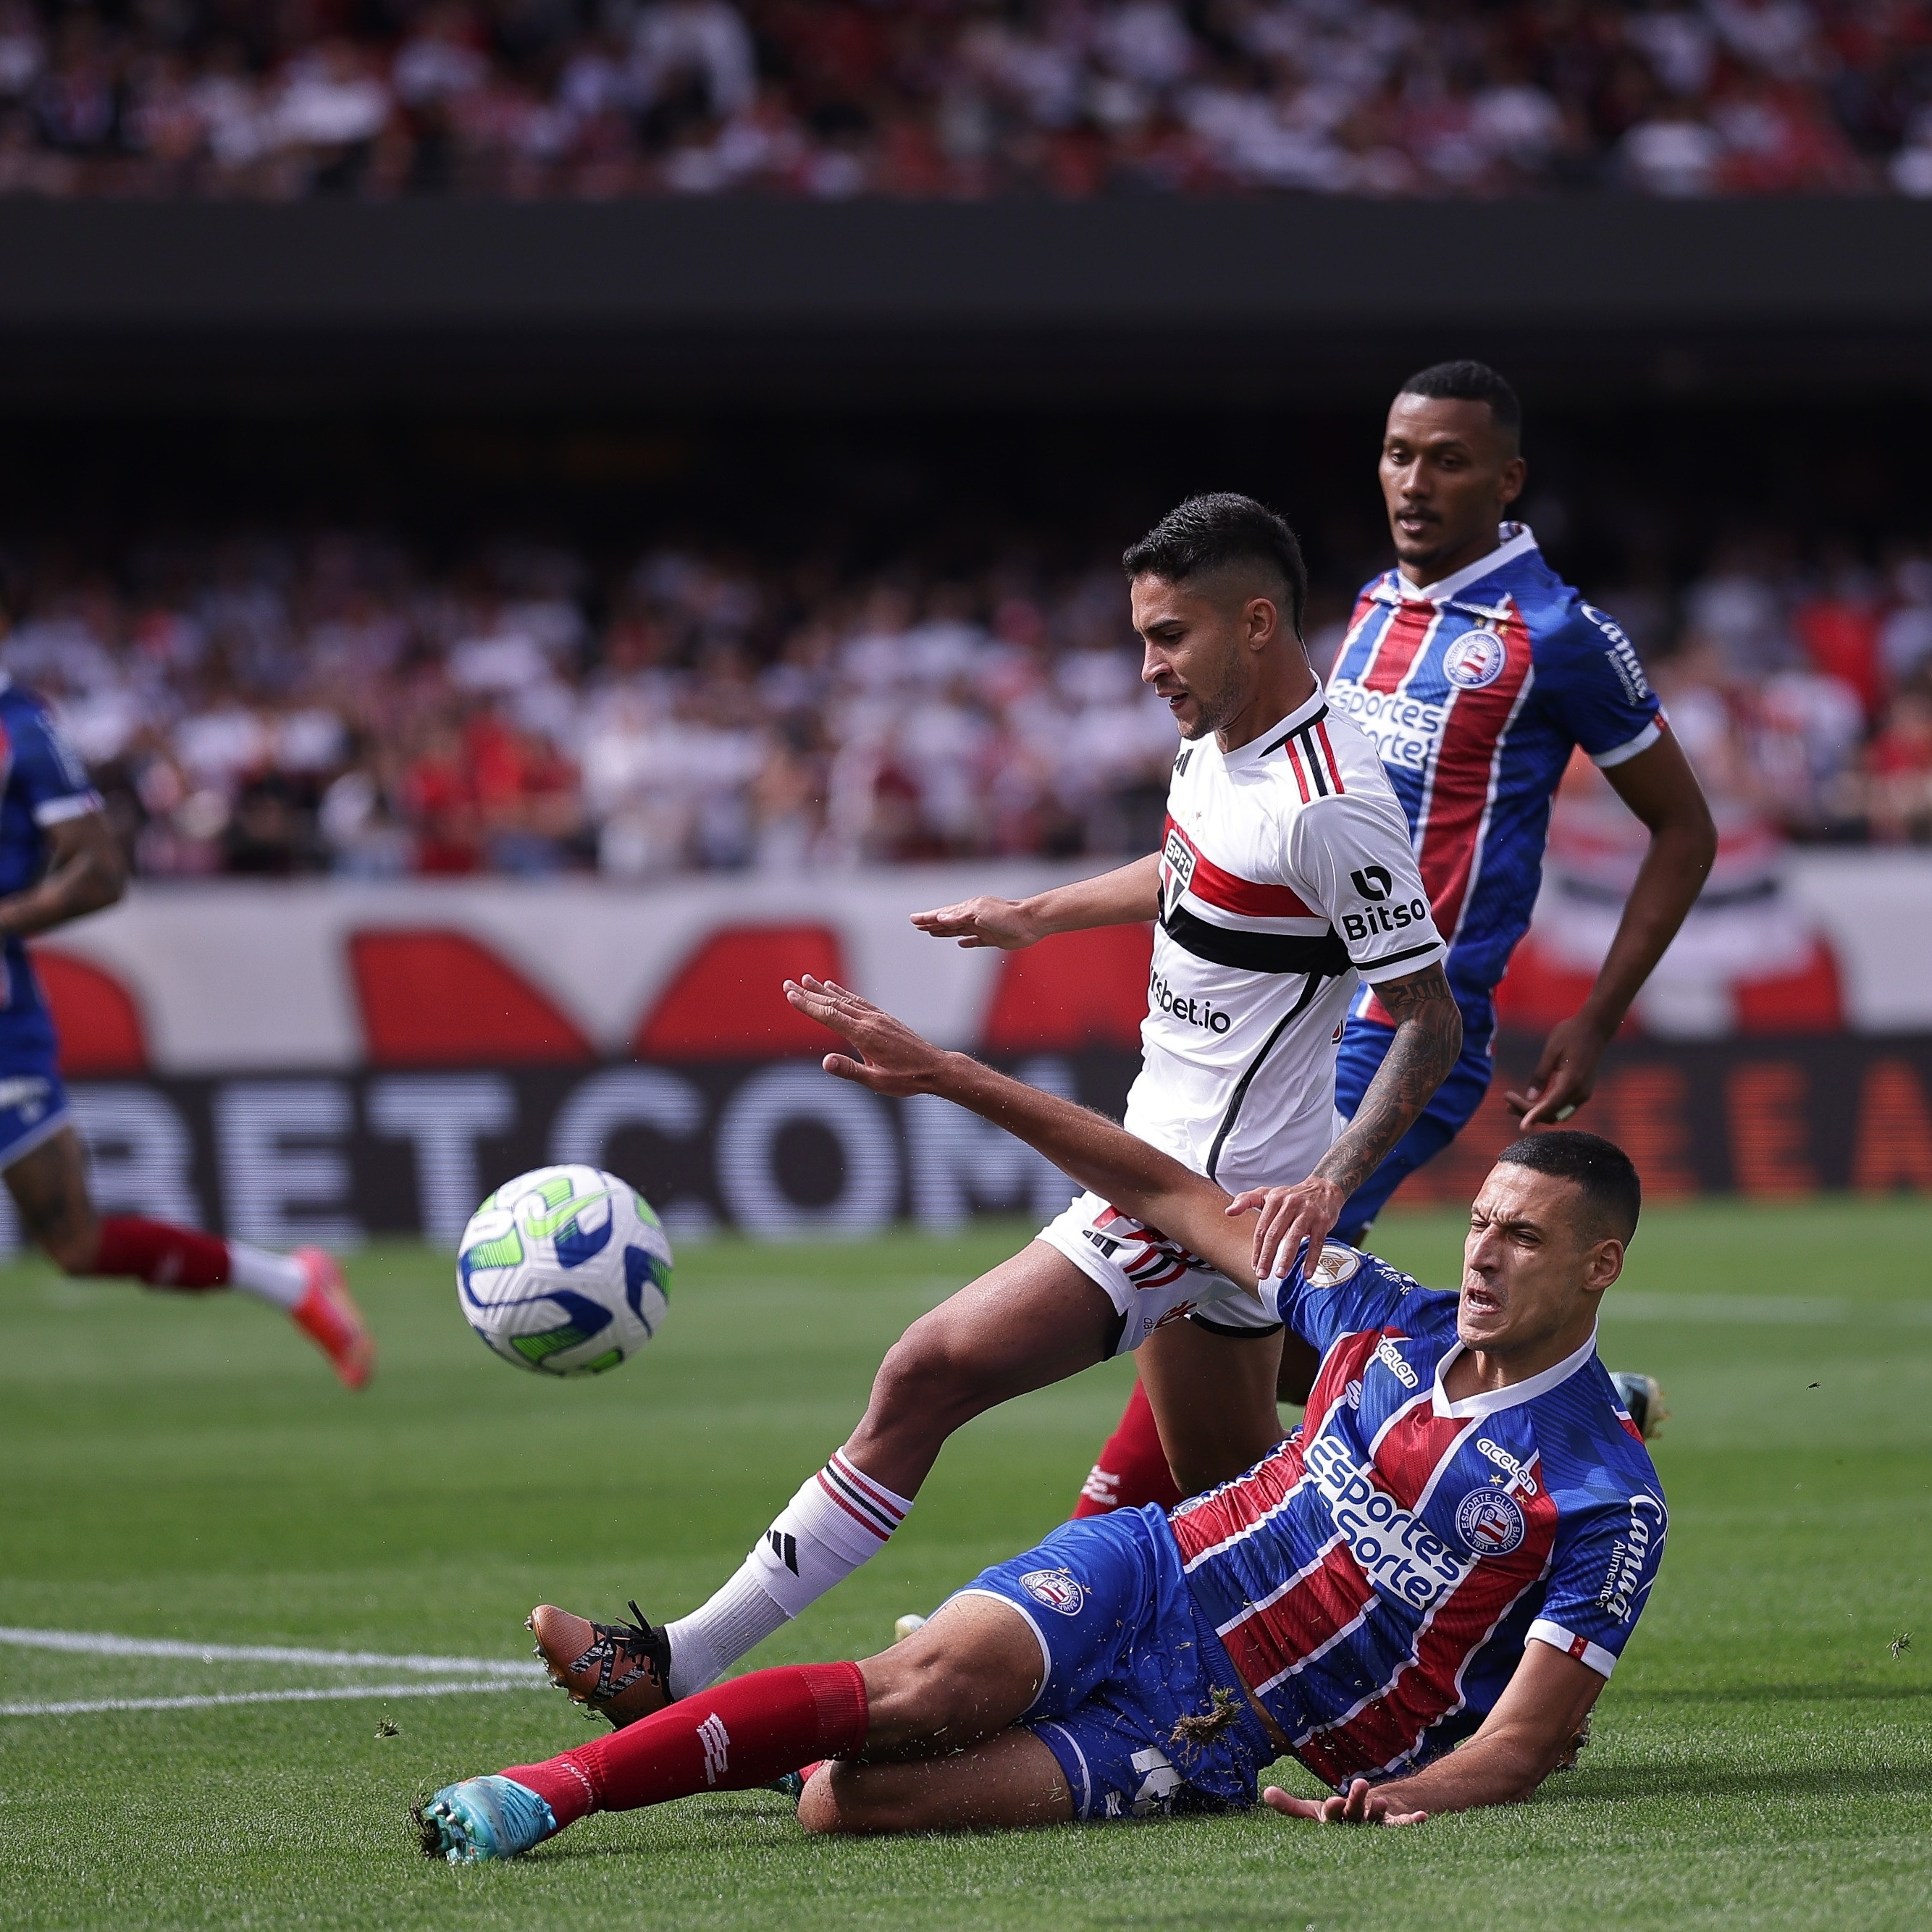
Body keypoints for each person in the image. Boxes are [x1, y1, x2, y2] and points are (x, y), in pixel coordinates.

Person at [519, 492, 1465, 1723]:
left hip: (1195, 1194)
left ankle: (674, 1666)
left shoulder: (1334, 797)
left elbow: (1428, 1015)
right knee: (1231, 1490)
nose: (1146, 666)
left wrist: (1330, 1177)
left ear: (1254, 620)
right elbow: (1195, 867)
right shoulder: (1221, 740)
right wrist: (1039, 910)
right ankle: (1418, 1683)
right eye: (1141, 635)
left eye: (1167, 636)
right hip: (1202, 1189)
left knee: (927, 1368)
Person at [414, 978, 1663, 1859]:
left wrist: (1398, 1795)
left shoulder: (1605, 1495)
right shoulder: (1380, 1313)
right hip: (1151, 1570)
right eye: (1480, 1223)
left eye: (1524, 1236)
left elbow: (1525, 1740)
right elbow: (1170, 1192)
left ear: (1598, 1267)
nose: (1486, 1255)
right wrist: (947, 1075)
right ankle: (549, 1791)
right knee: (919, 1681)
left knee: (852, 1803)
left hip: (1214, 1728)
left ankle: (763, 1740)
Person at [1056, 361, 1713, 1516]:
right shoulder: (1367, 607)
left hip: (1410, 1019)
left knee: (1226, 1270)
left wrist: (1598, 1017)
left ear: (1506, 480)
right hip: (1298, 1008)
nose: (1416, 482)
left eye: (1449, 460)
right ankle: (1570, 1401)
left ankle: (1082, 1565)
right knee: (1247, 1289)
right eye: (1401, 454)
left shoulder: (1555, 633)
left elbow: (1685, 828)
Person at [0, 671, 374, 1387]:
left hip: (5, 1026)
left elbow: (101, 872)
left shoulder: (21, 729)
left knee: (77, 1245)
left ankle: (293, 1284)